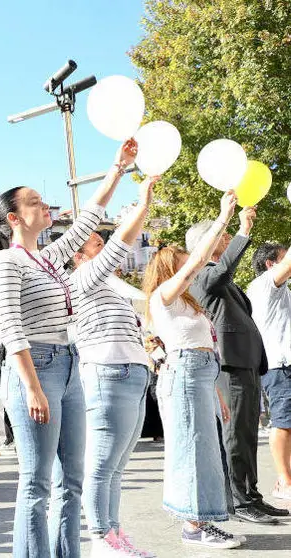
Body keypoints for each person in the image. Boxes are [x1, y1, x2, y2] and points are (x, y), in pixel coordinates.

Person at [0, 138, 133, 557]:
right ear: (14, 218)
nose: (44, 205)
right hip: (36, 367)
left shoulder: (47, 258)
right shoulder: (7, 262)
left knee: (73, 479)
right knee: (36, 481)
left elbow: (86, 222)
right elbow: (12, 328)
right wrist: (31, 387)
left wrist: (117, 169)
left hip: (68, 365)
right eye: (35, 202)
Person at [142, 190, 245, 549]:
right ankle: (193, 525)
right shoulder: (164, 296)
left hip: (198, 375)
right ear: (172, 269)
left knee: (204, 449)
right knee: (192, 449)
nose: (194, 268)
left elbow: (203, 350)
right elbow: (198, 262)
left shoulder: (186, 304)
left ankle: (203, 521)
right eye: (185, 265)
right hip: (184, 374)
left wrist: (217, 394)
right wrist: (223, 218)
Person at [69, 175, 159, 556]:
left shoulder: (108, 288)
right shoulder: (83, 277)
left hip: (131, 375)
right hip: (108, 372)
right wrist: (142, 206)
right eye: (93, 239)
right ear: (77, 253)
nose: (100, 241)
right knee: (103, 464)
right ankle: (102, 538)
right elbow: (120, 246)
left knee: (118, 466)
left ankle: (114, 535)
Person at [186, 208, 288, 523]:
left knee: (245, 435)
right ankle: (240, 502)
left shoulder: (217, 275)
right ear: (205, 243)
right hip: (230, 367)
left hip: (246, 364)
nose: (227, 238)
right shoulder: (202, 273)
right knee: (235, 436)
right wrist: (243, 229)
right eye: (222, 235)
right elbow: (223, 272)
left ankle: (252, 496)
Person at [245, 242, 291, 501]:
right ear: (270, 264)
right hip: (280, 365)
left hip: (283, 364)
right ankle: (284, 481)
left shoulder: (281, 290)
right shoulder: (265, 285)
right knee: (284, 423)